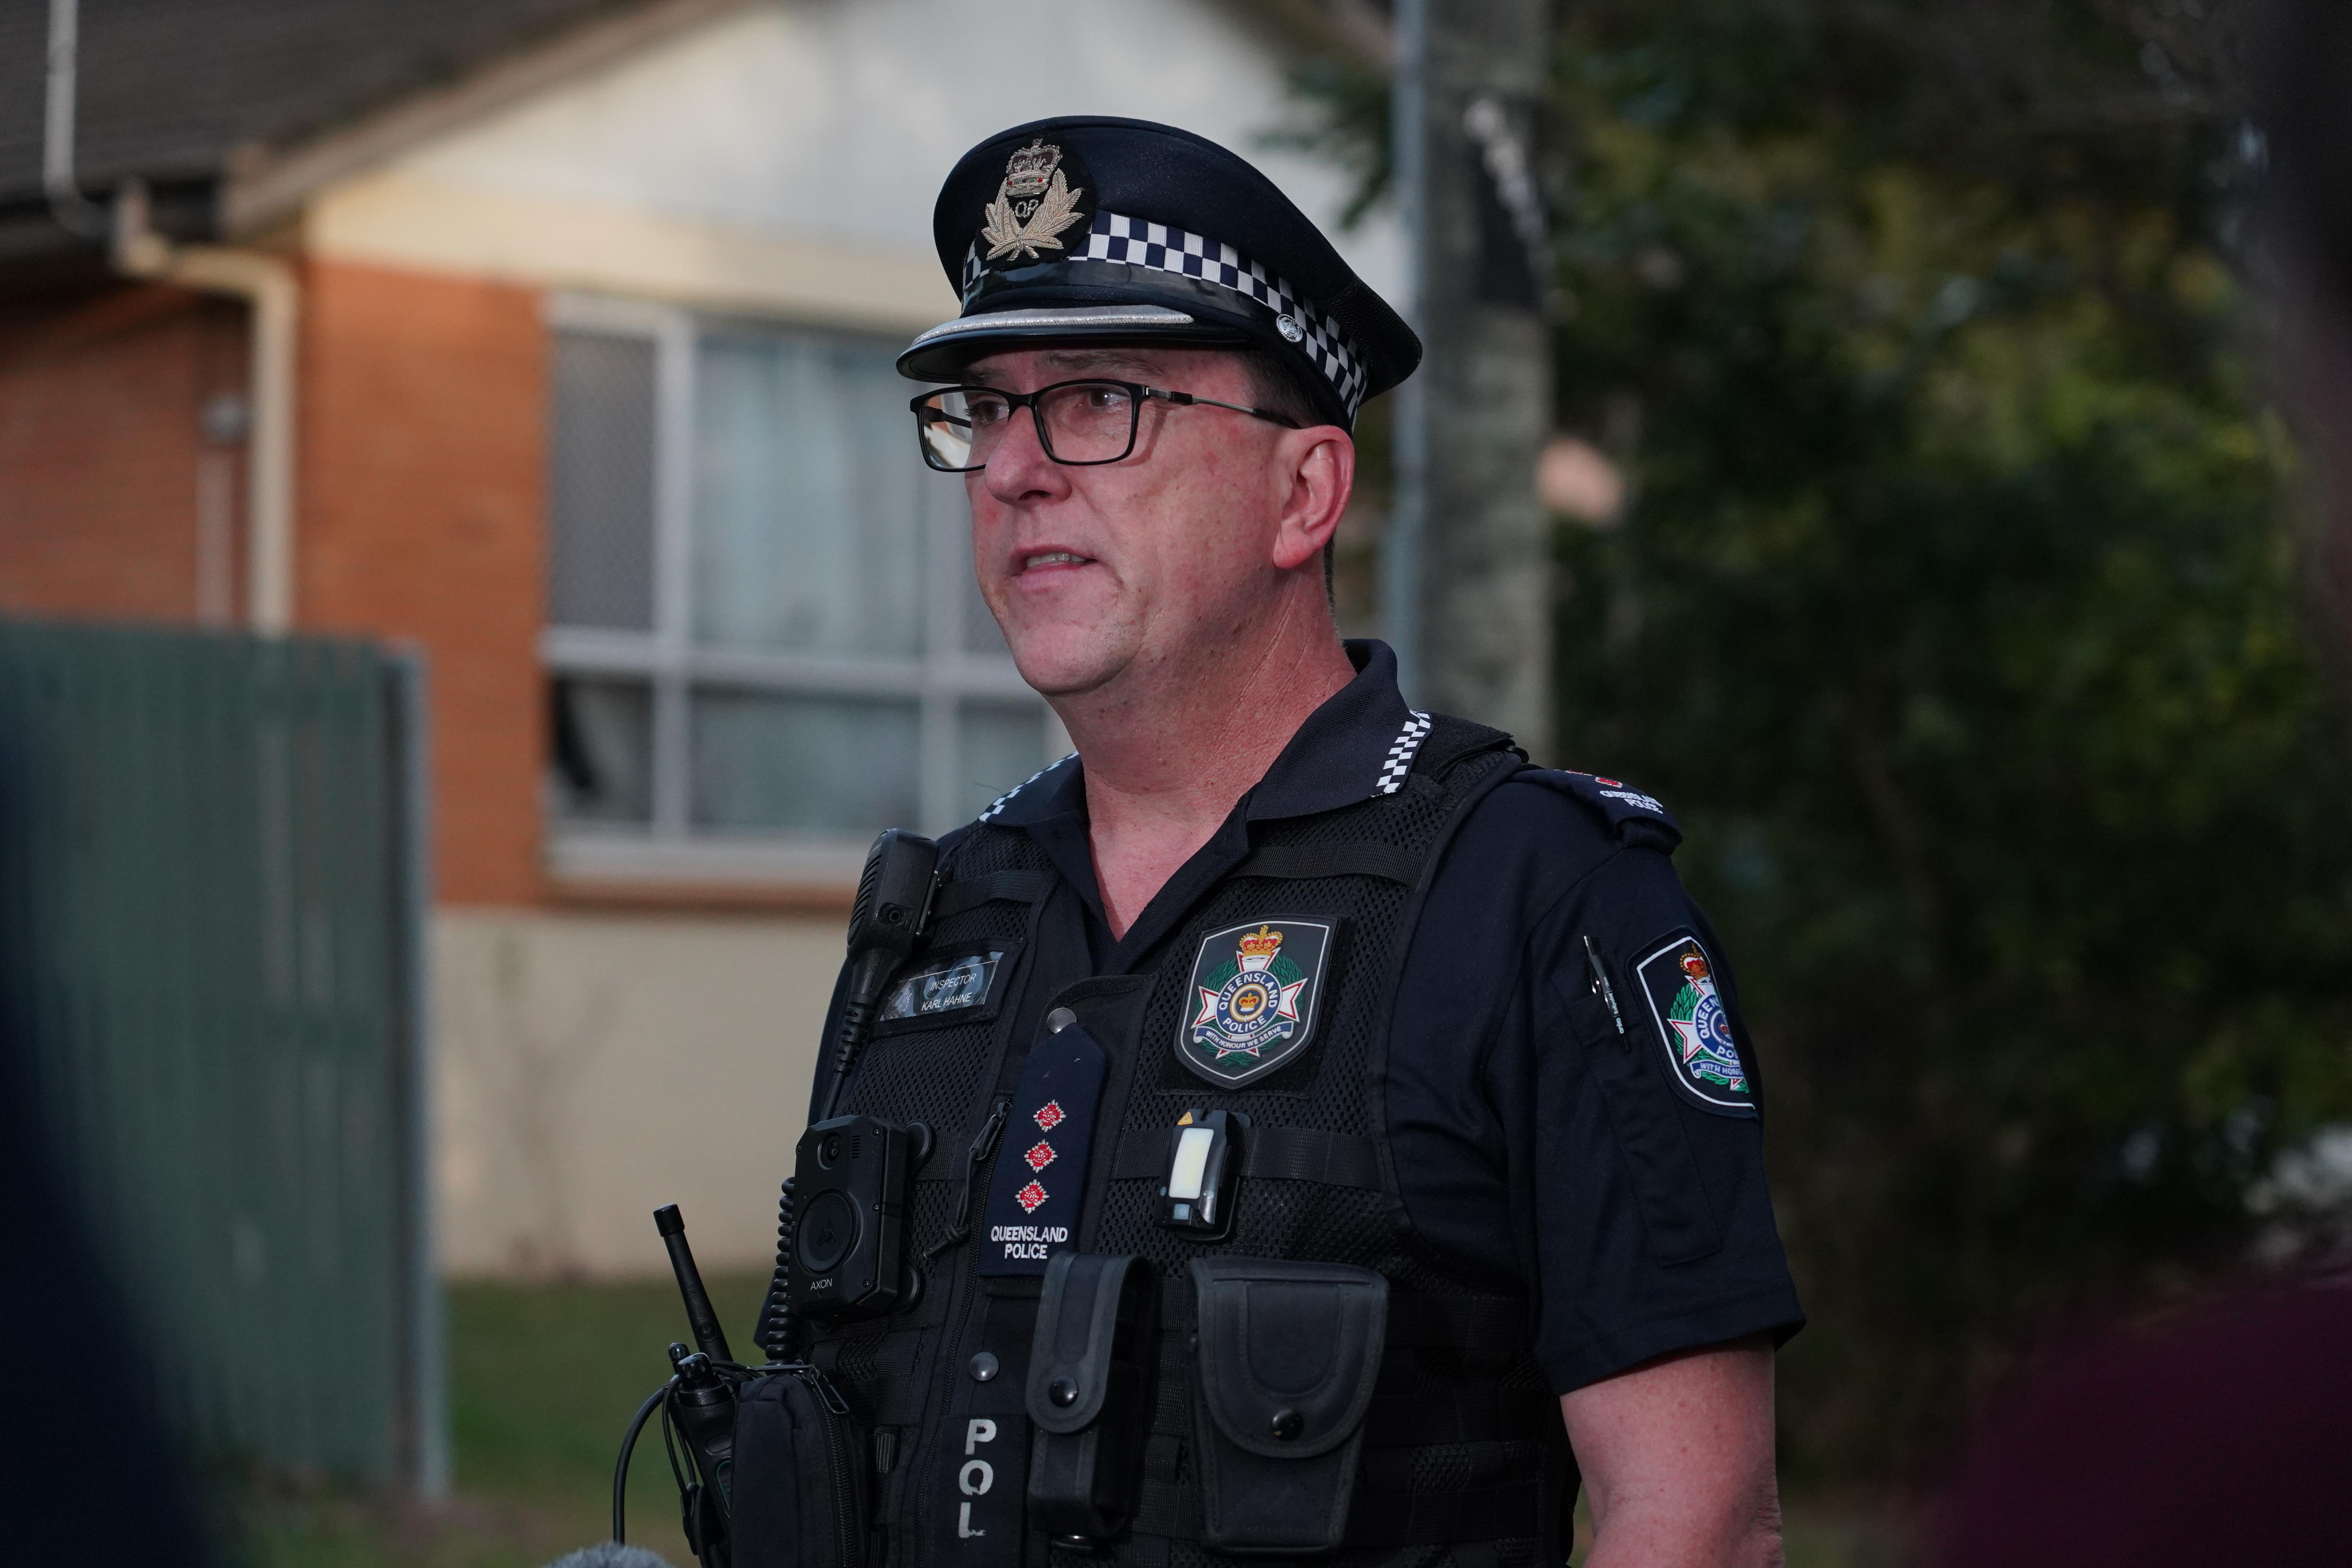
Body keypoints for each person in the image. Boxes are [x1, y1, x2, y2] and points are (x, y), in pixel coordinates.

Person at [770, 116, 1804, 1568]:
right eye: (985, 412)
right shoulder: (946, 913)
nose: (1011, 472)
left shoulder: (1539, 897)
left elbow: (1694, 1522)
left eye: (1096, 402)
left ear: (1303, 494)